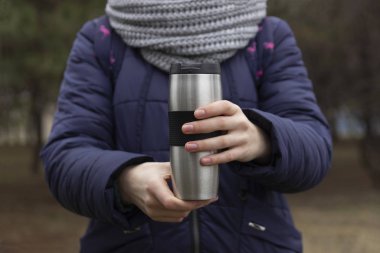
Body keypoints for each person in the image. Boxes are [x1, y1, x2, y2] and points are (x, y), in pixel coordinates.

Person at [41, 0, 332, 252]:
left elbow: (315, 147)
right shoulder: (101, 39)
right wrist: (126, 181)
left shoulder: (268, 36)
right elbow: (65, 156)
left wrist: (262, 139)